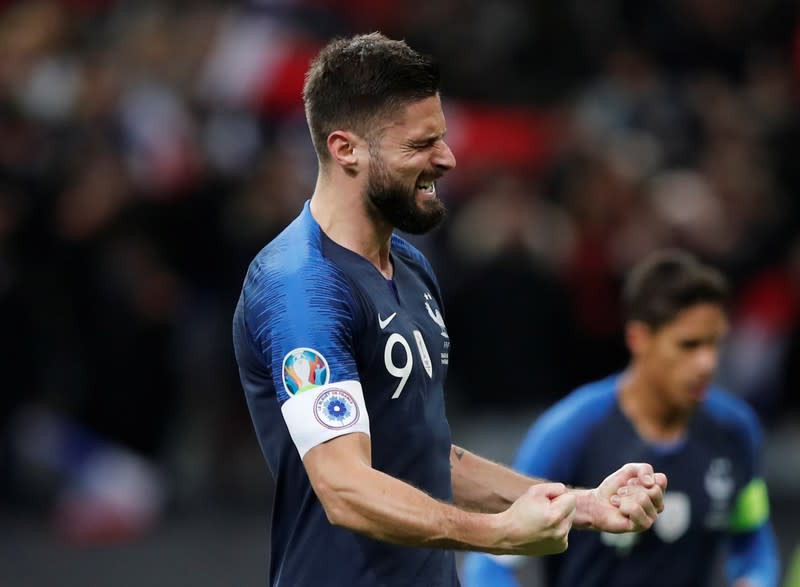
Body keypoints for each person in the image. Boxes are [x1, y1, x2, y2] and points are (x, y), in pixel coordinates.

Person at [231, 32, 667, 587]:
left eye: (442, 137)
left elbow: (426, 451)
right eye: (420, 145)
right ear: (346, 149)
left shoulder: (409, 266)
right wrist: (500, 534)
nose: (448, 158)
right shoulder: (301, 288)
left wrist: (578, 506)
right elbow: (344, 489)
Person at [463, 250, 780, 587]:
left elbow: (752, 538)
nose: (707, 363)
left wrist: (755, 580)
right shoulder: (572, 430)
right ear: (639, 339)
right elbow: (491, 561)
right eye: (689, 345)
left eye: (715, 344)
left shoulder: (736, 429)